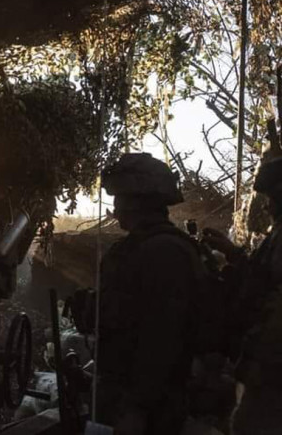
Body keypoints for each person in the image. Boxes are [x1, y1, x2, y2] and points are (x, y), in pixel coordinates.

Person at [97, 153, 205, 435]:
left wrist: (138, 408)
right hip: (128, 393)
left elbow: (162, 337)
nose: (115, 208)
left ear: (136, 201)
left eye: (119, 198)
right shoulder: (141, 248)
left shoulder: (164, 252)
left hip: (151, 405)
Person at [200, 141, 282, 435]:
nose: (268, 206)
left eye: (273, 198)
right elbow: (260, 277)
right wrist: (231, 253)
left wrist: (260, 362)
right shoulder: (276, 236)